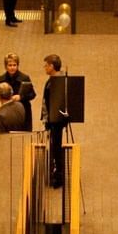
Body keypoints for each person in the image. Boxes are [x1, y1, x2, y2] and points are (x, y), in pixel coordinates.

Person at [42, 54, 68, 187]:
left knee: (56, 147)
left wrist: (49, 119)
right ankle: (57, 173)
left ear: (52, 66)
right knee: (55, 146)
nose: (44, 68)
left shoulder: (56, 82)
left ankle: (59, 176)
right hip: (54, 120)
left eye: (46, 65)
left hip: (56, 121)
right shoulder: (55, 79)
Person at [0, 53, 36, 128]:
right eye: (10, 65)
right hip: (8, 112)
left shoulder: (24, 78)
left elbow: (32, 94)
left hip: (23, 111)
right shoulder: (2, 78)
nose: (12, 67)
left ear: (17, 65)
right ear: (6, 66)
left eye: (14, 65)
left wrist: (21, 97)